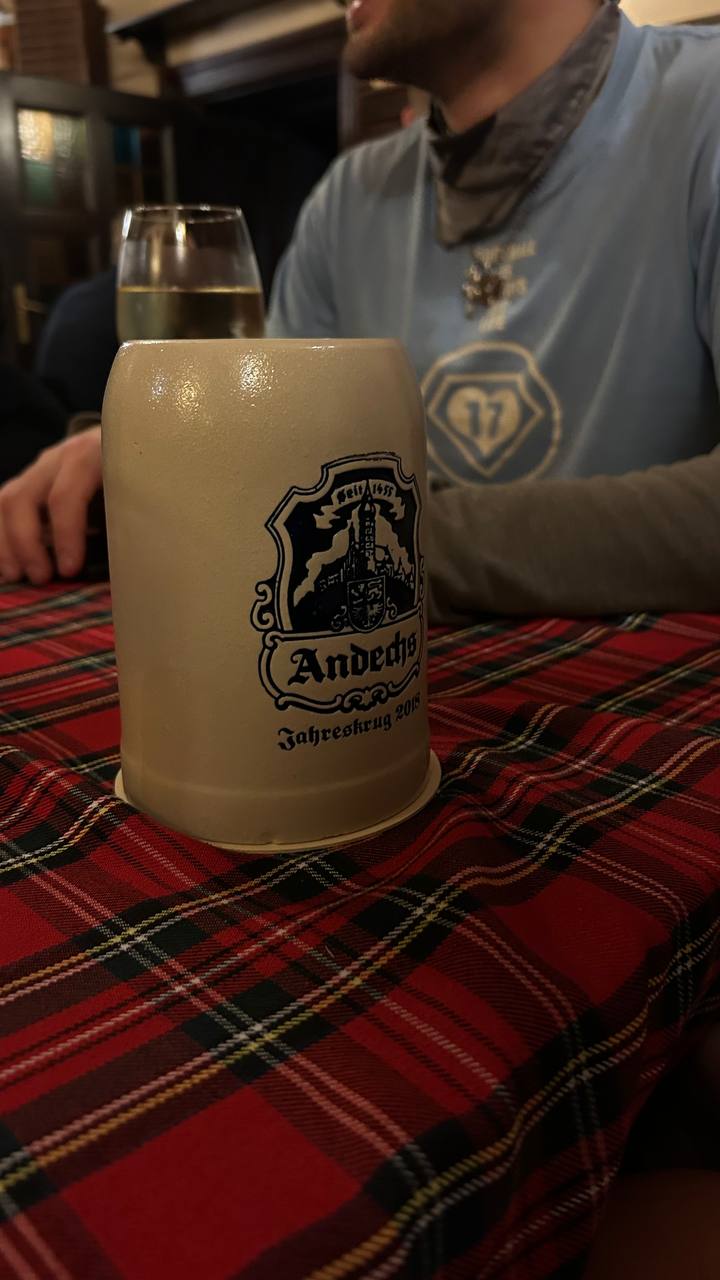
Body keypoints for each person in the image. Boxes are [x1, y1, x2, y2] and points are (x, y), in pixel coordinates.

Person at [2, 0, 720, 622]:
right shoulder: (347, 198)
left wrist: (395, 548)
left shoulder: (705, 104)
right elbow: (275, 460)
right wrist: (165, 451)